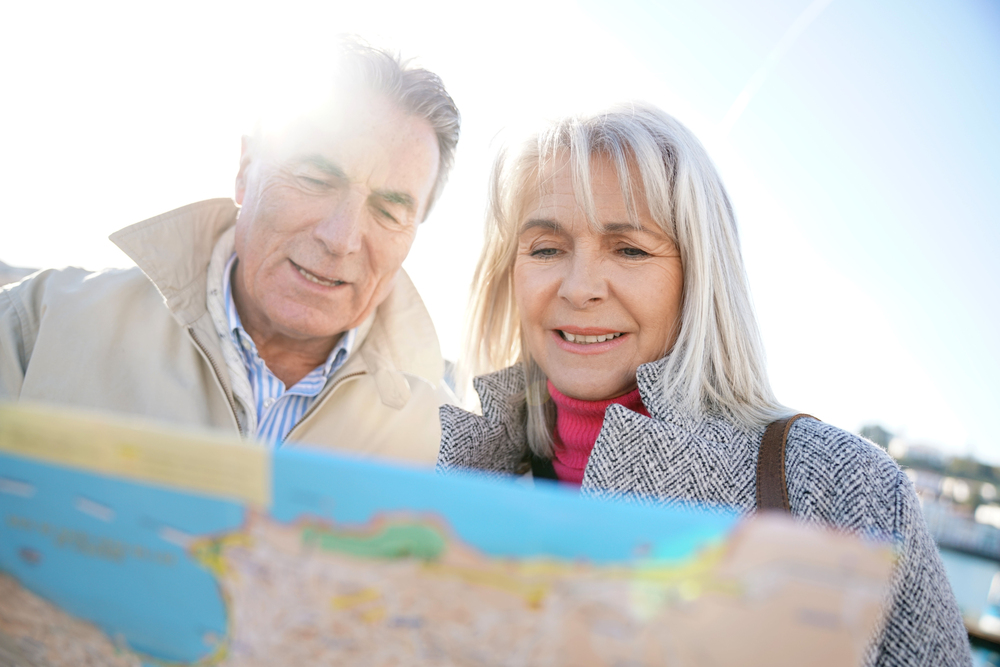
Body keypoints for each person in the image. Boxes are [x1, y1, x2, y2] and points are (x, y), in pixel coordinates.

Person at [437, 104, 971, 665]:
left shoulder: (847, 490)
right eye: (546, 248)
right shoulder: (443, 469)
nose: (580, 287)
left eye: (630, 249)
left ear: (699, 278)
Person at [0, 40, 460, 464]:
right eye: (316, 180)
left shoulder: (449, 444)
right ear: (244, 170)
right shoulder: (37, 327)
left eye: (388, 211)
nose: (340, 238)